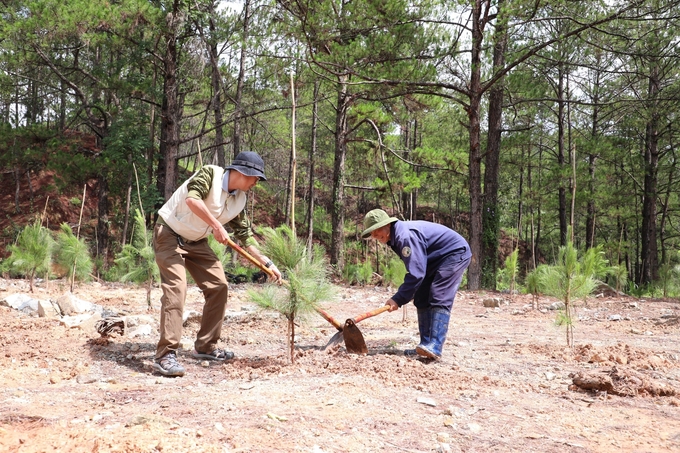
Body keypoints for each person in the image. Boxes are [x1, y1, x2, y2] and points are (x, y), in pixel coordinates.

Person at [153, 151, 281, 377]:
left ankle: (206, 346)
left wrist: (266, 262)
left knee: (219, 286)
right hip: (169, 233)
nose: (256, 183)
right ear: (243, 172)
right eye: (255, 178)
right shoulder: (210, 175)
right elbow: (192, 200)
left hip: (196, 241)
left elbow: (244, 234)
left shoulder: (239, 199)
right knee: (177, 289)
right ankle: (165, 355)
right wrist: (216, 225)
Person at [361, 209, 471, 360]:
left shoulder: (404, 236)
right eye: (372, 234)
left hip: (454, 253)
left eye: (376, 231)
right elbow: (418, 270)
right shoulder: (394, 237)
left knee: (439, 293)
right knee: (421, 296)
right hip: (433, 260)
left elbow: (416, 274)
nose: (374, 237)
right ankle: (425, 345)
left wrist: (398, 299)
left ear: (387, 225)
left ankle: (435, 346)